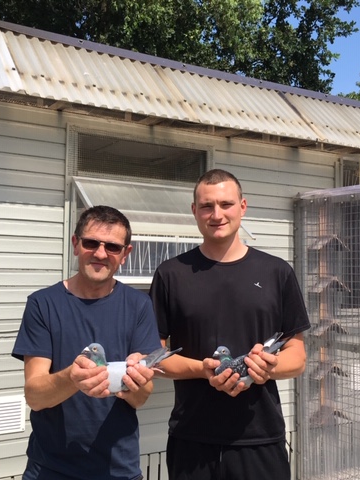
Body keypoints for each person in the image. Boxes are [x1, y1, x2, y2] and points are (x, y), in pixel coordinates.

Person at [149, 169, 310, 480]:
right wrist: (202, 370)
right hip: (191, 439)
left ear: (243, 207)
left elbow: (298, 356)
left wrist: (267, 367)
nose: (217, 214)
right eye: (207, 206)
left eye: (226, 204)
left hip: (261, 439)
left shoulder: (277, 272)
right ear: (194, 210)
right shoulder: (171, 274)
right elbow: (154, 356)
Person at [12, 205, 162, 480]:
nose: (101, 254)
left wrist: (134, 382)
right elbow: (34, 396)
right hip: (50, 470)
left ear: (125, 254)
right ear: (75, 244)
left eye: (112, 247)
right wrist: (72, 377)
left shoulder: (139, 306)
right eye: (91, 243)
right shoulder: (43, 304)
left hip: (118, 470)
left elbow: (141, 398)